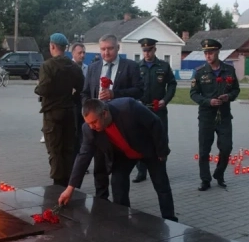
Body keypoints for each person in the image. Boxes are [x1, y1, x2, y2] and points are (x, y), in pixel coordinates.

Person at [58, 98, 178, 222]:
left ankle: (170, 219)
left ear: (104, 113)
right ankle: (123, 219)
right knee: (117, 183)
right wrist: (70, 188)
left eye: (94, 122)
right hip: (123, 155)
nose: (91, 127)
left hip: (148, 149)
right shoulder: (89, 129)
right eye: (88, 123)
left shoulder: (128, 108)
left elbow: (155, 123)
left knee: (161, 184)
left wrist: (162, 151)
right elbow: (83, 156)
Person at [81, 34, 143, 200]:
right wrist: (89, 110)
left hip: (119, 125)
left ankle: (120, 207)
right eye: (103, 49)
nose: (106, 52)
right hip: (99, 125)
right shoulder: (93, 68)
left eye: (109, 48)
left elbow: (139, 91)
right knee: (99, 167)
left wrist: (115, 93)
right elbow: (85, 92)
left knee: (119, 174)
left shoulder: (130, 66)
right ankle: (101, 202)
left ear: (117, 48)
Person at [190, 39, 240, 191]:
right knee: (204, 149)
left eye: (211, 52)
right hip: (206, 116)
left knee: (226, 147)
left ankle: (219, 174)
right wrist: (207, 101)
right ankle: (205, 180)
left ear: (218, 52)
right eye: (206, 53)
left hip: (224, 116)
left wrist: (228, 97)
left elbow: (236, 90)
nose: (208, 55)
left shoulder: (229, 70)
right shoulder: (200, 72)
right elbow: (193, 93)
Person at [35, 33, 84, 187]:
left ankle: (58, 184)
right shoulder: (74, 66)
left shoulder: (47, 65)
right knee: (68, 149)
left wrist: (37, 88)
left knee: (55, 150)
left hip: (52, 113)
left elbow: (43, 88)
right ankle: (69, 183)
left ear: (53, 46)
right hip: (69, 112)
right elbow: (81, 87)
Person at [133, 37, 177, 183]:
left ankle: (160, 169)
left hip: (159, 109)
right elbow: (133, 87)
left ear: (154, 49)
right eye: (144, 50)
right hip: (142, 109)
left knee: (161, 139)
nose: (146, 53)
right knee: (140, 139)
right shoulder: (137, 67)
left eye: (149, 50)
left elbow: (172, 84)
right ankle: (141, 171)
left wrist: (166, 99)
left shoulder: (163, 66)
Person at [71, 42, 89, 174]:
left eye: (84, 53)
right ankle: (73, 163)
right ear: (73, 54)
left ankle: (82, 164)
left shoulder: (88, 69)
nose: (82, 55)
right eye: (79, 53)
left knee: (84, 135)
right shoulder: (68, 68)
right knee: (73, 136)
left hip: (85, 107)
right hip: (71, 106)